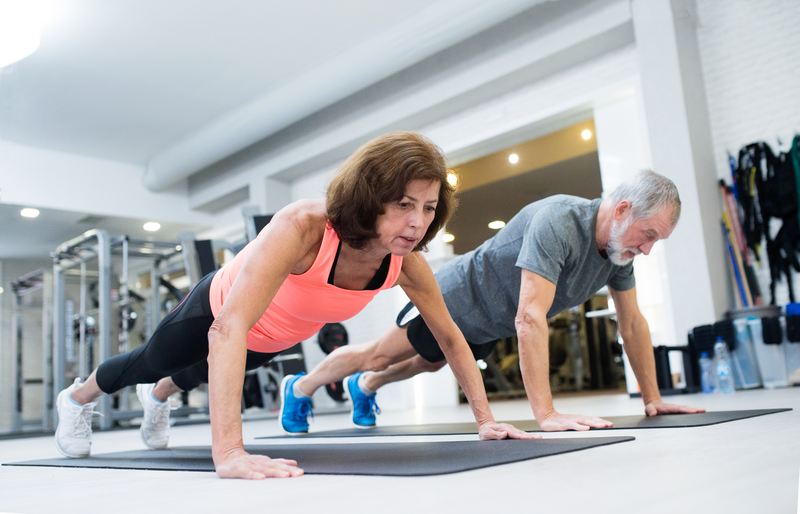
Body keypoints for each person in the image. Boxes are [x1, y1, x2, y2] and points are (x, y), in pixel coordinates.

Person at [54, 131, 533, 480]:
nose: (417, 222)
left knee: (194, 375)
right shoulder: (305, 227)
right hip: (219, 311)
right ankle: (77, 399)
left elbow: (450, 336)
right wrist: (230, 452)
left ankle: (158, 397)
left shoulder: (405, 262)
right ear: (371, 197)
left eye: (428, 208)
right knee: (151, 362)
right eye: (404, 204)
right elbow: (227, 328)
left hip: (276, 335)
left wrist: (486, 421)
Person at [283, 169, 704, 433]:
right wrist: (547, 414)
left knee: (428, 363)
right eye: (647, 235)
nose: (647, 249)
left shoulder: (618, 252)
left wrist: (652, 397)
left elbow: (631, 323)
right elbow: (530, 316)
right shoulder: (559, 220)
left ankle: (365, 387)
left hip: (490, 323)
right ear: (622, 210)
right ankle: (300, 387)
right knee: (379, 354)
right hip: (454, 297)